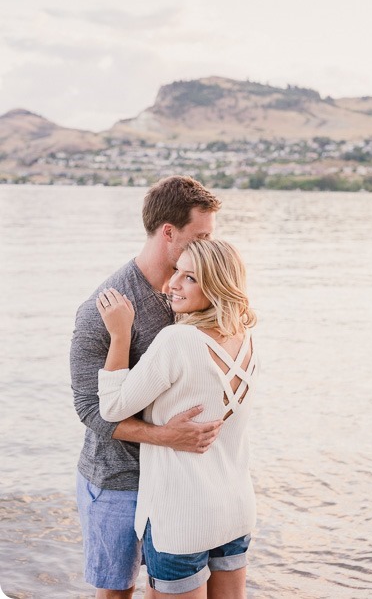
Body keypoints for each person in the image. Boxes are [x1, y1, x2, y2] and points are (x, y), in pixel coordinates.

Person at [70, 176, 222, 599]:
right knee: (117, 592)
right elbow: (88, 409)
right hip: (120, 480)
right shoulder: (102, 308)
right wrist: (166, 436)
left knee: (173, 585)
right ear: (169, 232)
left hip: (177, 477)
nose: (210, 246)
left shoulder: (190, 294)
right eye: (202, 236)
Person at [97, 239, 259, 599]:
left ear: (217, 285)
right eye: (176, 273)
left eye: (189, 278)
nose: (172, 285)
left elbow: (111, 408)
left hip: (182, 519)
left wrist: (120, 334)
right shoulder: (246, 339)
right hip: (235, 509)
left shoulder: (177, 340)